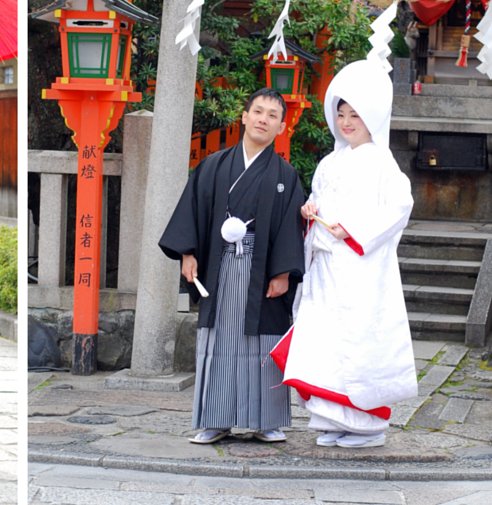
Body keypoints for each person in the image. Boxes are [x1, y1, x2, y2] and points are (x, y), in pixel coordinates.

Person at [274, 58, 417, 450]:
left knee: (358, 342)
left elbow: (399, 207)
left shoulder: (382, 161)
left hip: (361, 266)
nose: (347, 122)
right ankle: (333, 418)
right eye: (341, 114)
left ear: (371, 117)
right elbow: (319, 202)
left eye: (355, 114)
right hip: (326, 265)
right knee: (325, 341)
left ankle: (367, 425)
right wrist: (310, 211)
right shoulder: (328, 162)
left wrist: (352, 232)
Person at [159, 87, 306, 445]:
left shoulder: (286, 174)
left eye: (273, 116)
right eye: (258, 111)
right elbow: (192, 212)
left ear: (282, 127)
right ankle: (215, 418)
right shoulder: (213, 166)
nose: (263, 120)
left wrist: (283, 272)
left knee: (263, 340)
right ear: (244, 117)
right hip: (220, 264)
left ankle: (266, 420)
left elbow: (291, 227)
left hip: (264, 268)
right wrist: (188, 253)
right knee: (220, 339)